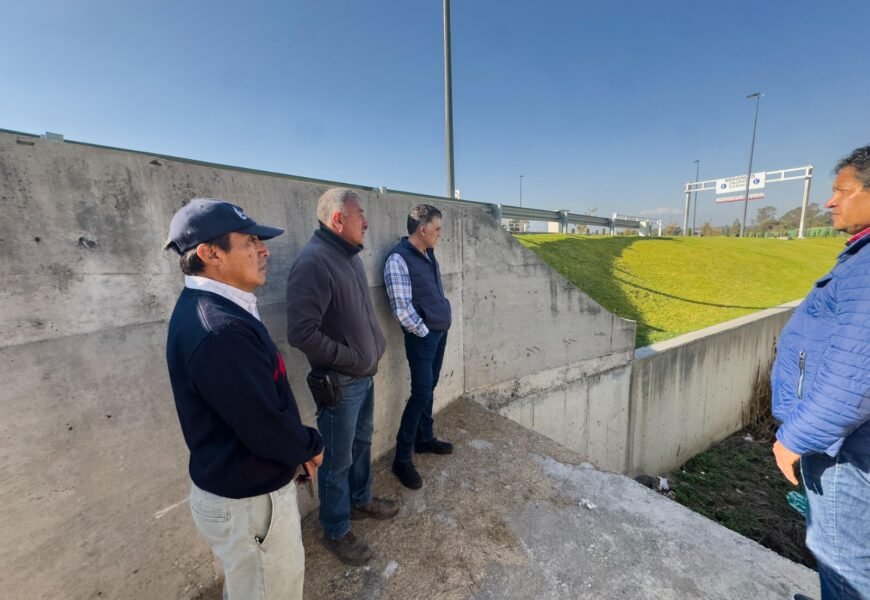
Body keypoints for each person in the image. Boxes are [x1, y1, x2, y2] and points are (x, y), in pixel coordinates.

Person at [164, 198, 324, 600]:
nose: (264, 249)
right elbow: (265, 426)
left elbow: (257, 406)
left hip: (242, 492)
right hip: (250, 504)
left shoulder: (216, 310)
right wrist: (311, 446)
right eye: (250, 240)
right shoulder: (218, 329)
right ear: (209, 253)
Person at [771, 146, 870, 599]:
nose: (830, 202)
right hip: (846, 441)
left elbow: (856, 375)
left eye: (842, 191)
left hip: (843, 449)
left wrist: (796, 437)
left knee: (842, 559)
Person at [285, 187, 397, 566]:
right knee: (335, 461)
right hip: (341, 382)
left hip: (362, 376)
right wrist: (349, 357)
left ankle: (361, 499)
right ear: (338, 220)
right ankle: (335, 529)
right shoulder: (315, 262)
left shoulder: (348, 257)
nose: (366, 222)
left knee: (363, 444)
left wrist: (373, 349)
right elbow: (301, 332)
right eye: (360, 215)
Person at [383, 204, 454, 489]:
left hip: (439, 331)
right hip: (423, 336)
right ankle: (402, 458)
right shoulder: (398, 260)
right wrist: (424, 331)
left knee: (430, 387)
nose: (440, 234)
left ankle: (425, 439)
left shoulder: (429, 253)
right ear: (422, 229)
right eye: (437, 229)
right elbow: (401, 309)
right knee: (421, 392)